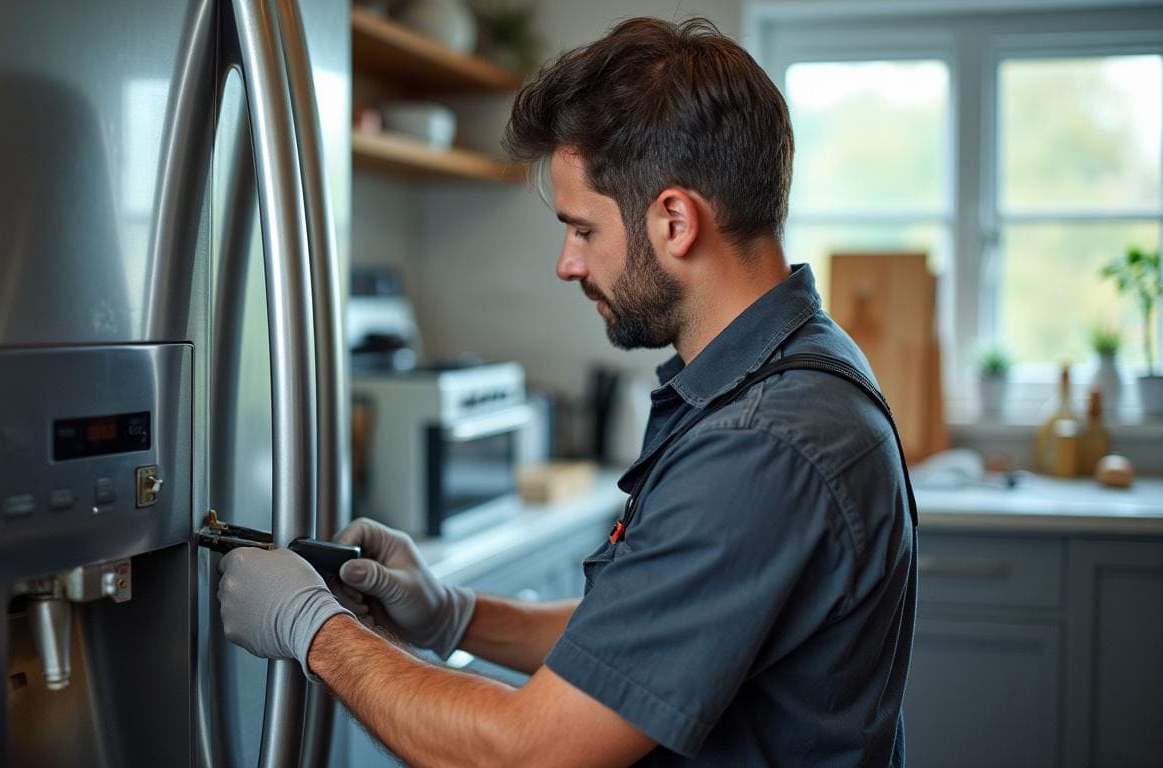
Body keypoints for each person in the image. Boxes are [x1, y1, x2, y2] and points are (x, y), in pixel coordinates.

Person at [217, 17, 916, 767]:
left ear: (675, 221)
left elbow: (530, 753)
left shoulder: (761, 444)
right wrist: (452, 614)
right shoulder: (791, 368)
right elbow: (640, 640)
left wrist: (313, 629)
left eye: (582, 229)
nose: (567, 263)